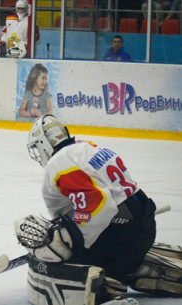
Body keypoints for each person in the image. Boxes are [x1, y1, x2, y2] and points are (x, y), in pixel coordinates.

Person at [15, 114, 182, 304]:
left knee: (53, 254)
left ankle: (104, 292)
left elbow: (97, 204)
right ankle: (135, 265)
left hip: (118, 241)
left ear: (45, 143)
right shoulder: (88, 147)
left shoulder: (59, 163)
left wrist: (71, 239)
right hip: (144, 228)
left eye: (38, 146)